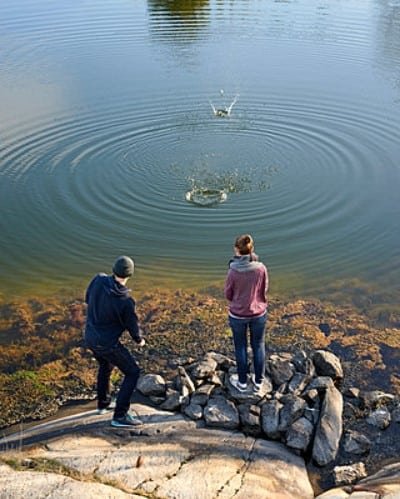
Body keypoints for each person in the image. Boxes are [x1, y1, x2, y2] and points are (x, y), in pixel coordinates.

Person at [84, 255, 145, 427]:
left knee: (105, 366)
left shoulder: (98, 280)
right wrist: (139, 340)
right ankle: (120, 416)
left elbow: (88, 299)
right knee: (133, 372)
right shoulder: (126, 301)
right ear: (130, 275)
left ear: (114, 269)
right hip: (107, 343)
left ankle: (102, 405)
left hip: (89, 336)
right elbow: (132, 325)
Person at [224, 234, 269, 392]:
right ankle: (259, 382)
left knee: (240, 347)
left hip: (238, 315)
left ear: (237, 250)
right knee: (258, 345)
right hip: (258, 314)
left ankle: (242, 383)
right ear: (252, 250)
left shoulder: (233, 271)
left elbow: (228, 294)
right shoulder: (261, 268)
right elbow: (264, 289)